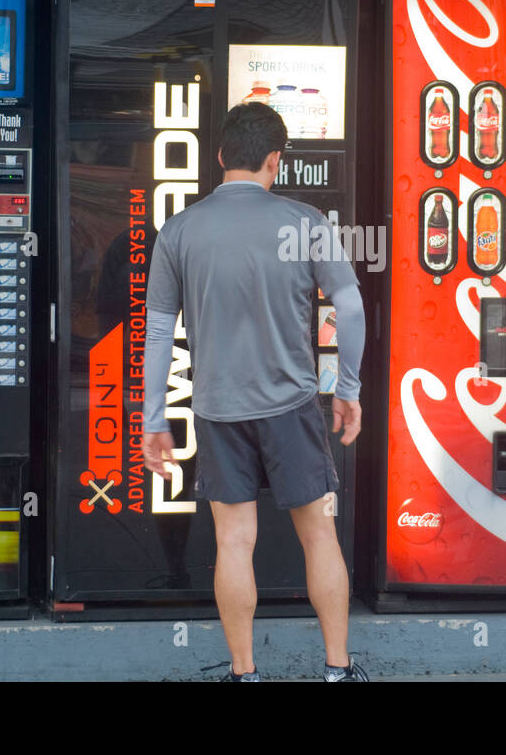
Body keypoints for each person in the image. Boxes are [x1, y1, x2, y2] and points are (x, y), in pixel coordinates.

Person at [142, 101, 367, 682]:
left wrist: (153, 419)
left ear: (220, 156)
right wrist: (347, 387)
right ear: (276, 161)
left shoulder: (179, 230)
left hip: (217, 409)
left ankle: (245, 674)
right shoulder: (304, 222)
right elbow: (350, 304)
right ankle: (338, 672)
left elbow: (161, 330)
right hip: (292, 406)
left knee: (234, 540)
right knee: (319, 533)